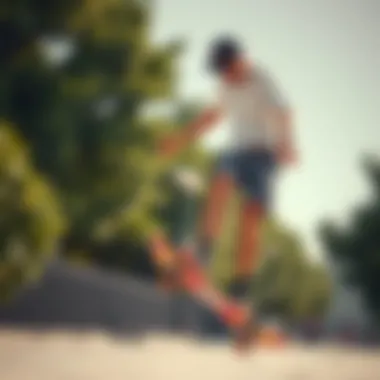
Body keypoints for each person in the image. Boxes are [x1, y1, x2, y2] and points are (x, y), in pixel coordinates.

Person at [154, 35, 297, 349]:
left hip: (263, 156)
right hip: (237, 152)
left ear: (240, 60)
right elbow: (211, 118)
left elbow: (284, 111)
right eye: (221, 72)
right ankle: (204, 250)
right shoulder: (225, 87)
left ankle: (240, 290)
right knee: (221, 179)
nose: (226, 77)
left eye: (228, 69)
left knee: (251, 219)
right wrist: (178, 140)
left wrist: (288, 143)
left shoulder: (261, 78)